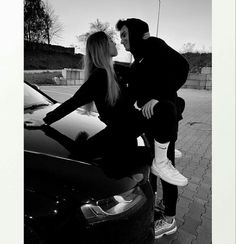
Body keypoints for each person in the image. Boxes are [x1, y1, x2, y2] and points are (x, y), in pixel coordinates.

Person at [115, 18, 189, 239]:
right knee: (154, 165)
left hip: (164, 118)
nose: (122, 41)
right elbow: (137, 82)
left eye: (125, 35)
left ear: (138, 34)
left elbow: (182, 67)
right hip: (151, 122)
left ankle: (169, 220)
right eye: (120, 37)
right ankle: (156, 206)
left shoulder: (153, 46)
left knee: (166, 168)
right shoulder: (139, 61)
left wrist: (159, 97)